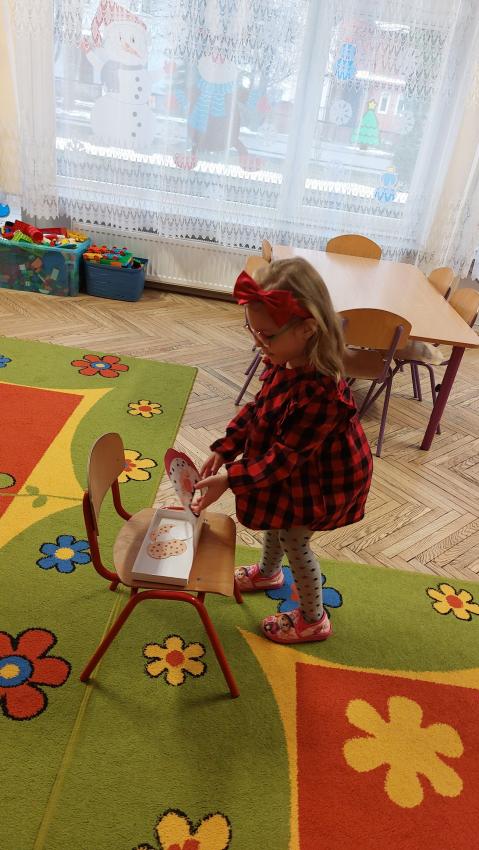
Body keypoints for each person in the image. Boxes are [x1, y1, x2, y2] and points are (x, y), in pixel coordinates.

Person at [192, 256, 373, 644]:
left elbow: (284, 458)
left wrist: (230, 479)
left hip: (323, 477)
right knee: (278, 517)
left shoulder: (322, 394)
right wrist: (227, 448)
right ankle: (268, 573)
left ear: (308, 328)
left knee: (294, 538)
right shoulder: (284, 359)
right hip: (294, 469)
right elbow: (259, 407)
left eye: (267, 335)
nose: (258, 343)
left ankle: (313, 619)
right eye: (253, 331)